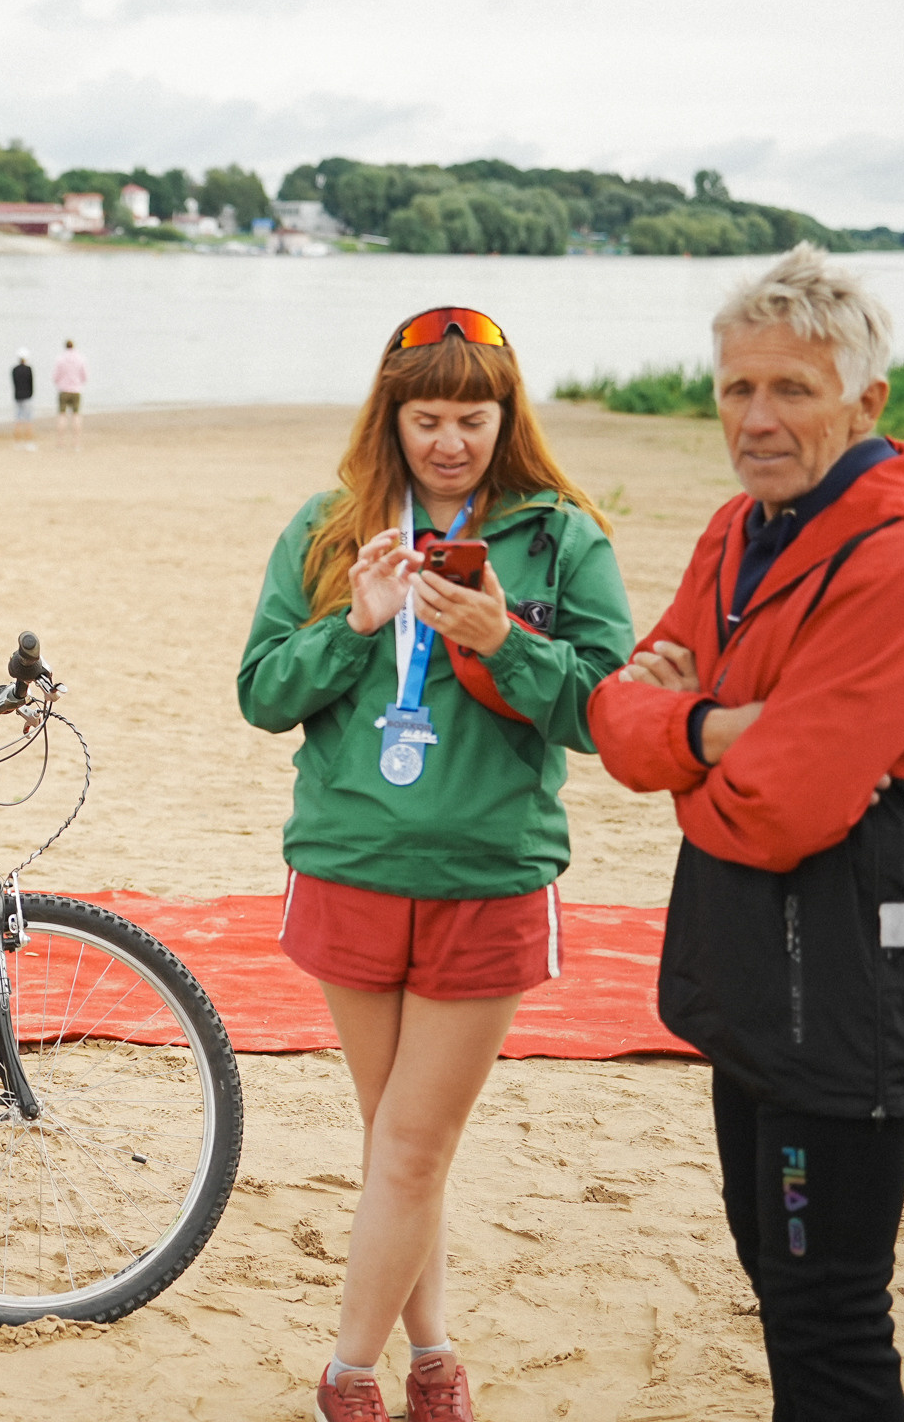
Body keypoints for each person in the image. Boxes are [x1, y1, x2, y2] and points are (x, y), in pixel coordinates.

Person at [587, 245, 904, 1421]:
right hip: (753, 988)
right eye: (736, 388)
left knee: (827, 1321)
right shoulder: (740, 529)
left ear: (868, 402)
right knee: (780, 1287)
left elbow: (782, 813)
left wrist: (684, 732)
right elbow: (619, 717)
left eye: (792, 390)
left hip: (854, 1003)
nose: (757, 419)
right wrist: (713, 729)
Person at [238, 307, 635, 1422]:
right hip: (350, 860)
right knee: (397, 1144)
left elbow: (611, 714)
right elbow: (262, 693)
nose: (450, 439)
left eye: (473, 415)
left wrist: (507, 638)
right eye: (428, 417)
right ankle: (438, 1358)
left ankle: (347, 1374)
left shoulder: (560, 537)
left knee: (412, 1142)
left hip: (489, 871)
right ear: (392, 417)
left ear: (507, 419)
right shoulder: (331, 528)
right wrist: (355, 625)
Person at [51, 337, 87, 449]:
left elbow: (55, 377)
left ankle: (60, 443)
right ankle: (76, 443)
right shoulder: (80, 358)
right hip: (76, 390)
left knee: (62, 416)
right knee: (76, 416)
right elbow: (85, 376)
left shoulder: (60, 359)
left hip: (63, 390)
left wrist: (61, 383)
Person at [10, 347, 37, 448]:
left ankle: (17, 442)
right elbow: (31, 384)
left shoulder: (14, 370)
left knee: (18, 420)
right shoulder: (28, 369)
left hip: (17, 397)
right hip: (27, 397)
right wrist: (31, 394)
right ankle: (29, 442)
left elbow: (14, 383)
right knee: (28, 420)